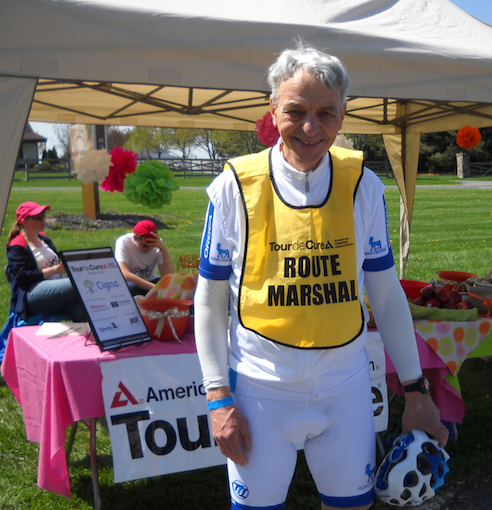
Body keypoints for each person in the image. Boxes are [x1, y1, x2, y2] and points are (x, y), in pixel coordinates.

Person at [194, 42, 449, 510]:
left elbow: (387, 296)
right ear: (272, 109)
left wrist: (416, 390)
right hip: (259, 390)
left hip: (345, 388)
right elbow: (209, 301)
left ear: (344, 113)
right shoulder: (233, 184)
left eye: (326, 113)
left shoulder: (364, 184)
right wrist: (218, 399)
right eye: (296, 111)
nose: (311, 127)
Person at [6, 201, 85, 322]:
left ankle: (86, 339)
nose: (43, 220)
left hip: (55, 292)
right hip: (32, 296)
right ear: (24, 221)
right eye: (38, 218)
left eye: (43, 216)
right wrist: (54, 269)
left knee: (84, 309)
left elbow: (58, 263)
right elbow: (21, 277)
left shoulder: (44, 239)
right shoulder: (17, 246)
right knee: (80, 283)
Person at [114, 220, 174, 296]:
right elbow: (125, 274)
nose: (148, 249)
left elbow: (169, 276)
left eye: (151, 246)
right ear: (135, 238)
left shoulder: (158, 245)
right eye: (145, 246)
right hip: (132, 283)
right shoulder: (124, 242)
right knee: (131, 287)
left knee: (170, 287)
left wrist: (164, 250)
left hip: (150, 281)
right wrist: (154, 288)